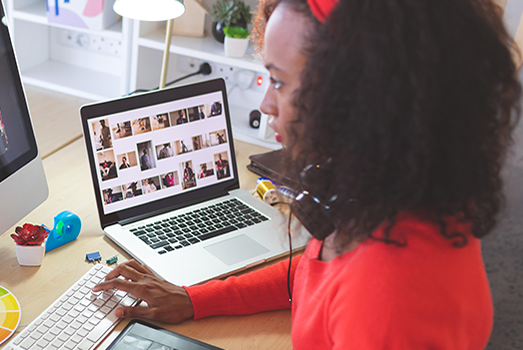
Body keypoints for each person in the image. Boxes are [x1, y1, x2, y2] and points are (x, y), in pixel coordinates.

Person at [91, 0, 520, 348]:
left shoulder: (388, 300)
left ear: (357, 97)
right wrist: (195, 299)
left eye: (278, 81)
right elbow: (310, 271)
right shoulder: (384, 196)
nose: (266, 106)